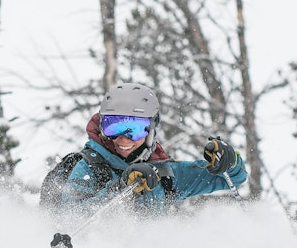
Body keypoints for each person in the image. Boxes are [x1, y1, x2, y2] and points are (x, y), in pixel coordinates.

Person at [59, 83, 248, 213]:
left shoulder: (164, 175)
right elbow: (69, 219)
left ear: (151, 129)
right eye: (113, 127)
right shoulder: (89, 168)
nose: (123, 139)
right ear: (102, 127)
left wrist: (229, 161)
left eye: (135, 130)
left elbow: (234, 177)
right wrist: (121, 188)